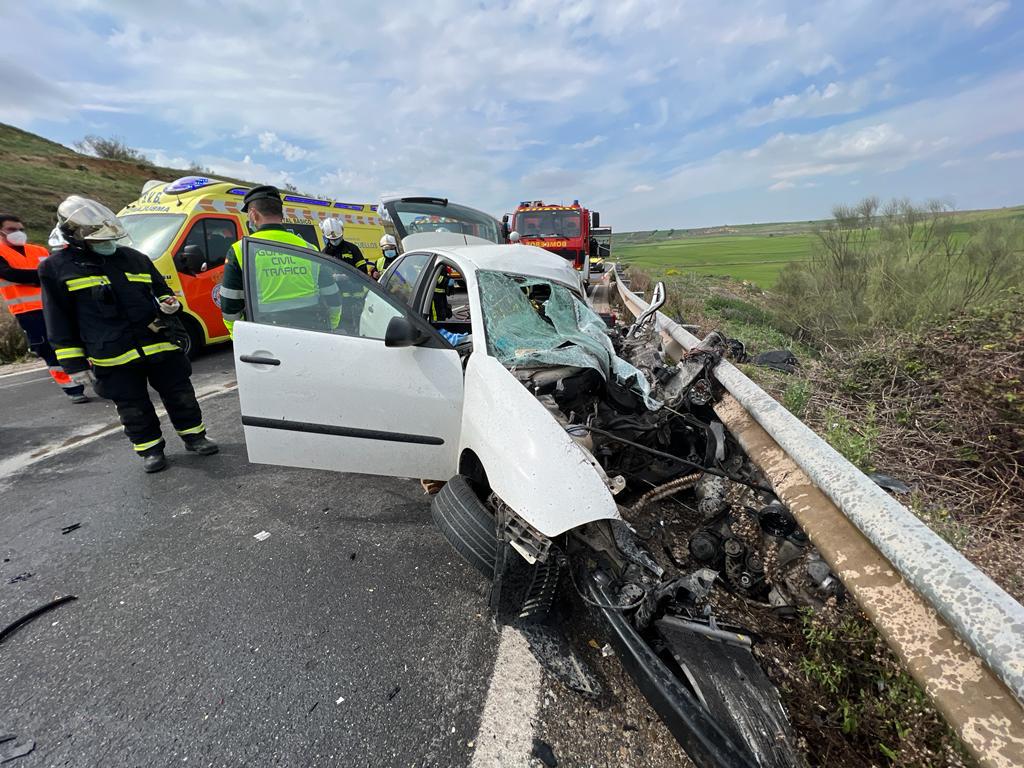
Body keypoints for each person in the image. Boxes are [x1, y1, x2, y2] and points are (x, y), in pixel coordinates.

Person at [39, 196, 218, 472]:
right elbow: (58, 319)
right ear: (76, 237)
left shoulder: (135, 259)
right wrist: (72, 364)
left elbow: (161, 290)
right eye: (99, 239)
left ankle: (195, 438)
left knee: (181, 395)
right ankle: (151, 451)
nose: (107, 244)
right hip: (112, 353)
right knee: (132, 407)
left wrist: (169, 303)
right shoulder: (56, 268)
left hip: (158, 344)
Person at [220, 186, 341, 334]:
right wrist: (332, 326)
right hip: (312, 332)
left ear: (253, 214)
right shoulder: (309, 248)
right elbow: (333, 296)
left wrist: (238, 336)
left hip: (266, 334)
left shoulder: (240, 250)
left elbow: (230, 305)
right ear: (281, 214)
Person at [0, 213, 88, 403]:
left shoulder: (38, 249)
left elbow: (58, 270)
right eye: (11, 230)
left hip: (56, 304)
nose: (18, 233)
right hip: (28, 312)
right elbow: (11, 274)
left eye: (21, 229)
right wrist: (43, 275)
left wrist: (38, 276)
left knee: (78, 340)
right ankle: (72, 389)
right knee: (47, 349)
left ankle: (94, 376)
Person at [320, 216, 377, 334]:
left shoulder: (352, 249)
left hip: (355, 299)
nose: (335, 241)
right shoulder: (324, 253)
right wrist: (333, 277)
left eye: (338, 238)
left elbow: (362, 271)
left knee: (358, 330)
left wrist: (348, 276)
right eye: (332, 239)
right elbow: (322, 277)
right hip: (337, 301)